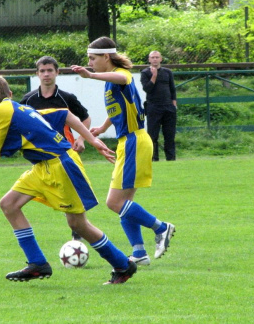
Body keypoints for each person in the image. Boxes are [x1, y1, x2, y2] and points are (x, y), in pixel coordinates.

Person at [0, 75, 137, 284]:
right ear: (10, 94)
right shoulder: (20, 109)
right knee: (9, 204)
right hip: (42, 166)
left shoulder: (1, 111)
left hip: (61, 165)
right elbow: (65, 114)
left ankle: (123, 264)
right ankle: (37, 264)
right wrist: (92, 140)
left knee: (78, 223)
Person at [71, 37, 176, 267]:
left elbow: (124, 77)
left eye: (93, 58)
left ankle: (161, 228)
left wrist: (91, 75)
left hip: (134, 141)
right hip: (128, 141)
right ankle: (138, 252)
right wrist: (104, 127)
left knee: (114, 202)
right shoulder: (110, 83)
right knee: (125, 201)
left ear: (106, 57)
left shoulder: (120, 74)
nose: (90, 63)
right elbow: (120, 107)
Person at [20, 56, 92, 242]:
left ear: (57, 72)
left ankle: (78, 234)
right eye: (42, 71)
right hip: (42, 159)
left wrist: (81, 139)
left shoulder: (66, 98)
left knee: (72, 197)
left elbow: (85, 119)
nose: (46, 74)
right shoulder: (28, 100)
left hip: (65, 155)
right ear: (37, 74)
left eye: (50, 70)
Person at [140, 51, 177, 161]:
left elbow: (172, 89)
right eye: (153, 57)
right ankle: (154, 158)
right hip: (153, 107)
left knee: (169, 135)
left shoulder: (167, 72)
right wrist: (154, 76)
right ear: (149, 60)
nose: (155, 59)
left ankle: (171, 158)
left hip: (168, 107)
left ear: (161, 59)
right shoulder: (145, 73)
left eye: (157, 57)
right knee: (152, 135)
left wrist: (173, 104)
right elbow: (147, 89)